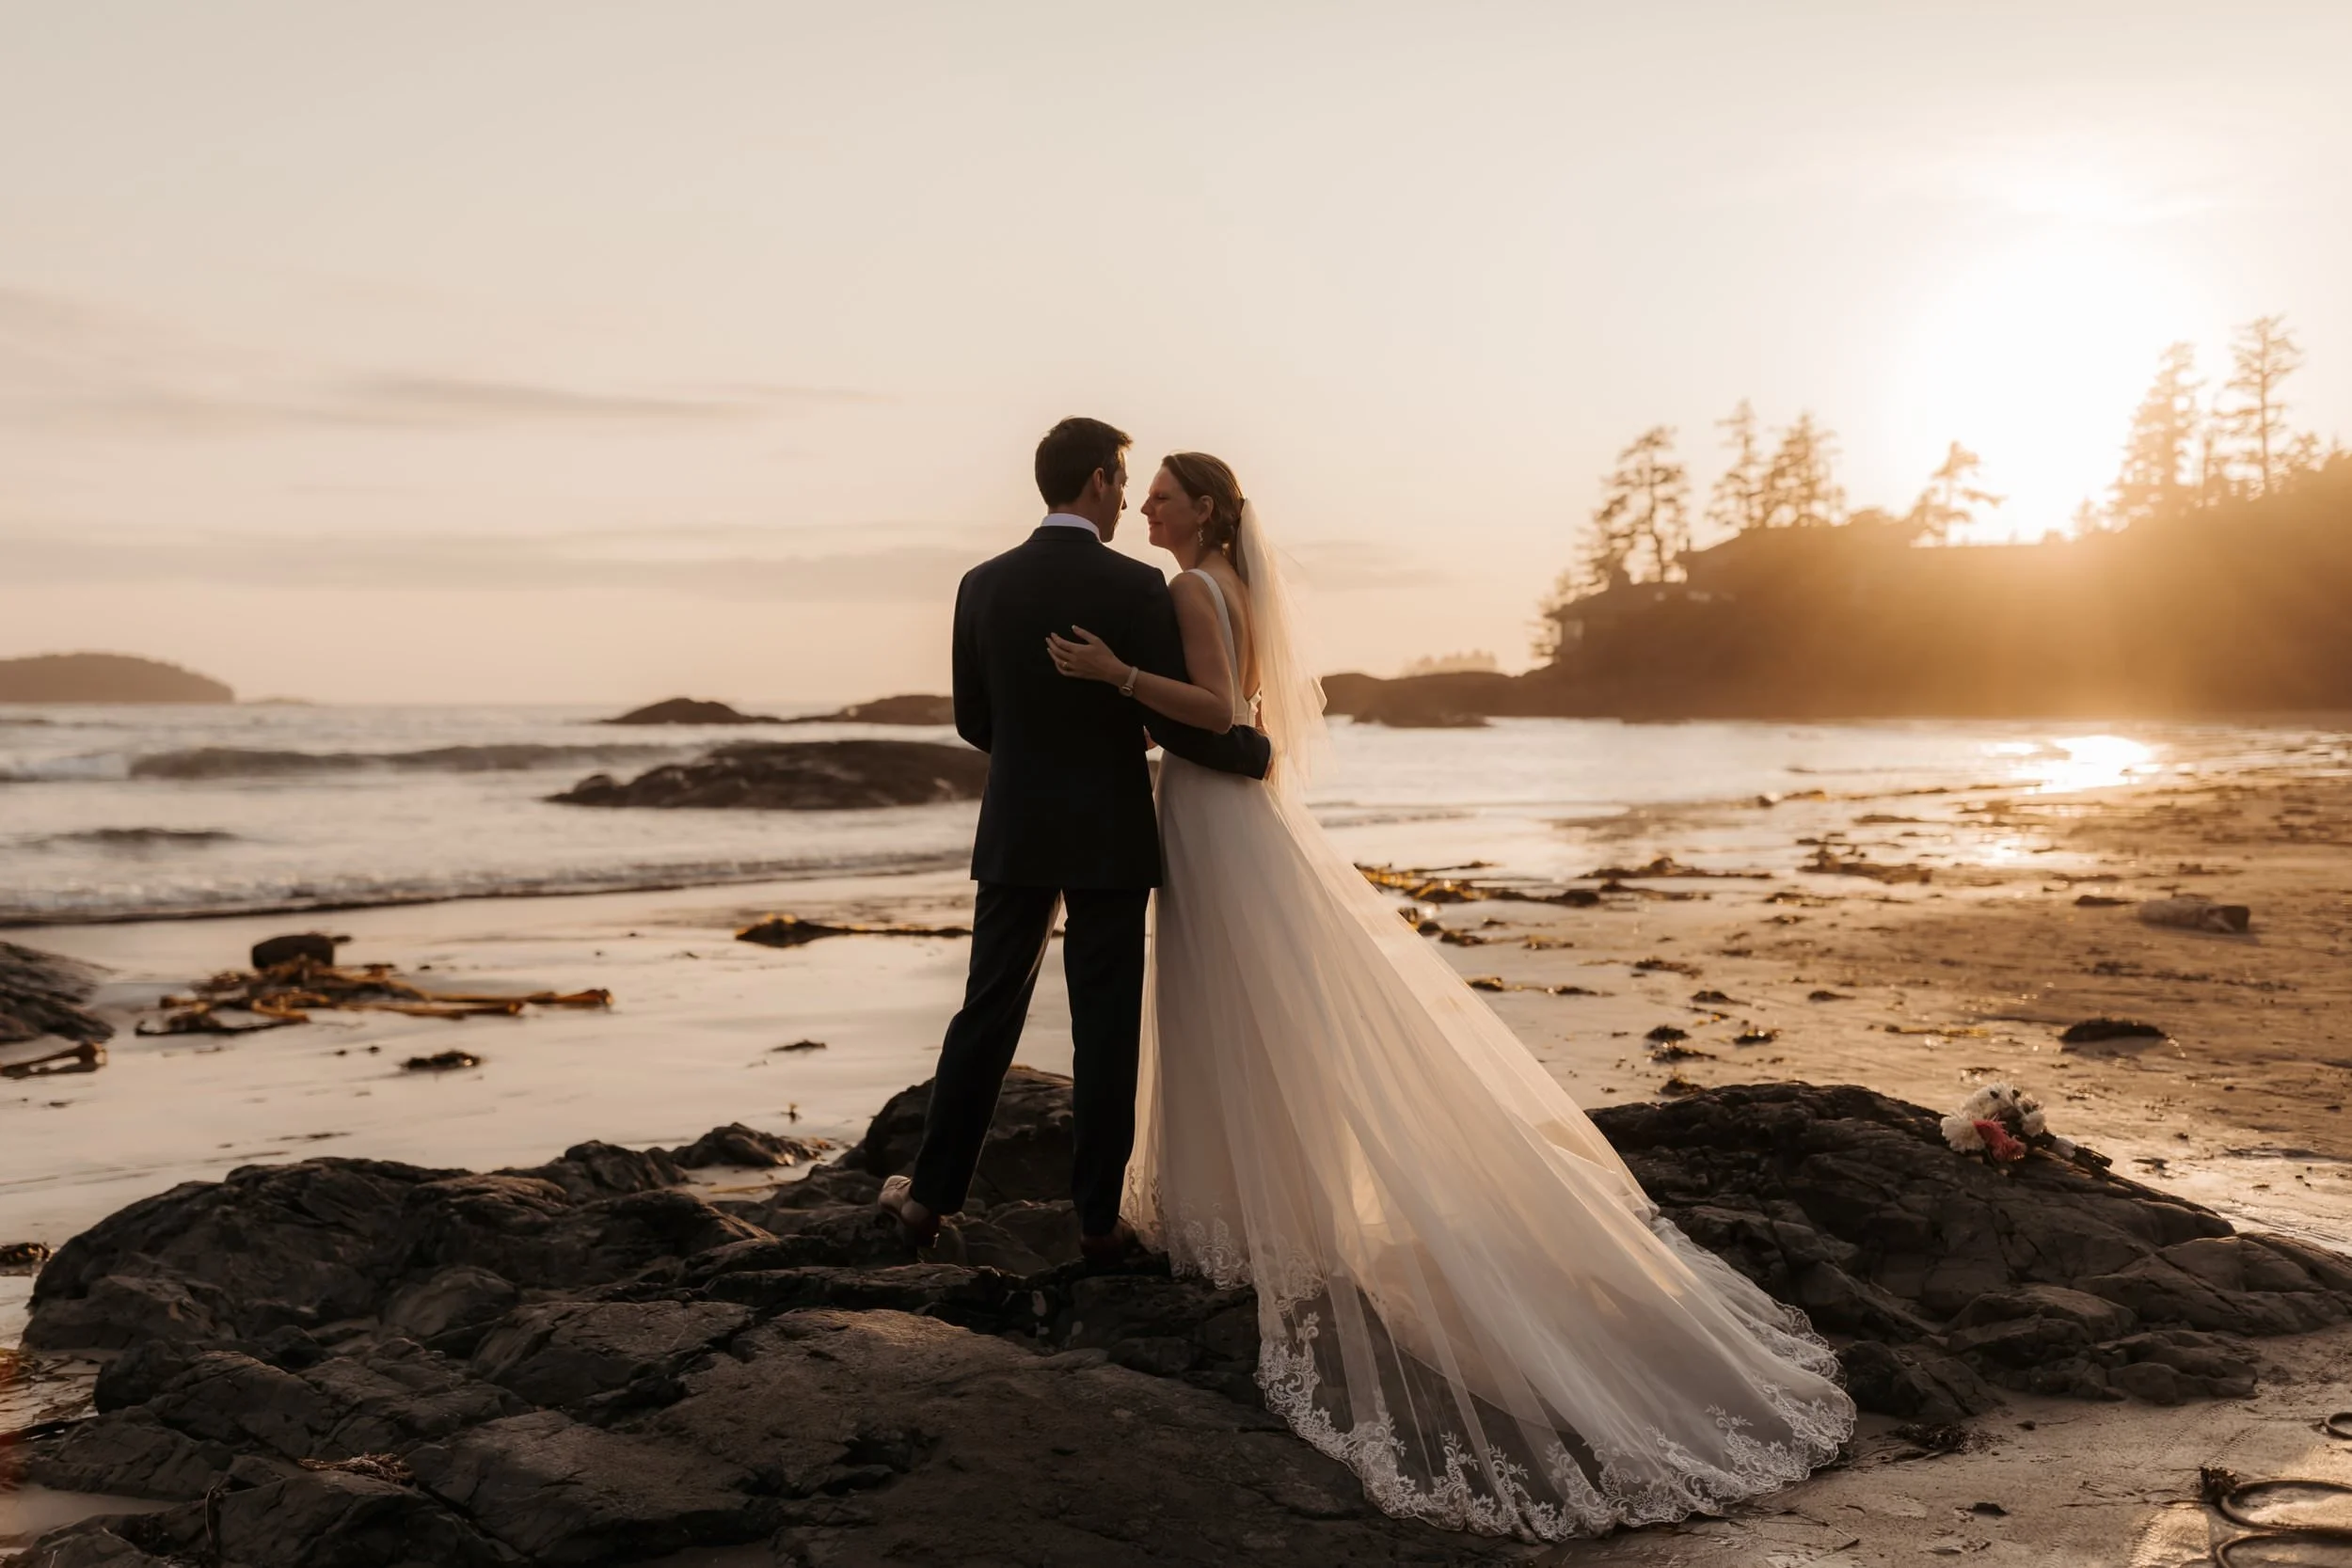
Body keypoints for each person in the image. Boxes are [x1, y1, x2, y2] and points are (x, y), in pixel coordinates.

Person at [1041, 450, 1857, 1542]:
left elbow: (1217, 704)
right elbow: (1242, 710)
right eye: (1140, 492)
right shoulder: (1228, 584)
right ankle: (1259, 1203)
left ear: (1206, 510)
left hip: (1207, 810)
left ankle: (1247, 1210)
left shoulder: (1194, 585)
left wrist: (1118, 682)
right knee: (1254, 1006)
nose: (1144, 505)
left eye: (1163, 495)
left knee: (1237, 1003)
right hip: (1217, 810)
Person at [879, 418, 1271, 1265]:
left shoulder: (979, 584)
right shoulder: (1136, 588)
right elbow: (1174, 718)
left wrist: (1037, 755)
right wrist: (1255, 750)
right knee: (1106, 1026)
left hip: (1018, 825)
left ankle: (926, 1203)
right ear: (1097, 480)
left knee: (986, 1012)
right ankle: (1097, 1224)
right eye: (1124, 482)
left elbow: (972, 720)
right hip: (1109, 829)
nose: (1130, 499)